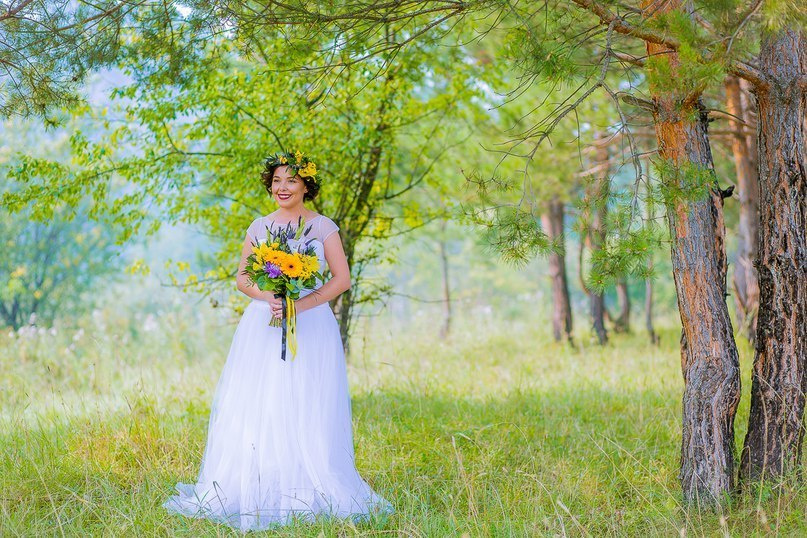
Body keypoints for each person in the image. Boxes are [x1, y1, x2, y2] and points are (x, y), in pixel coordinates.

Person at [162, 151, 394, 531]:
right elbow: (243, 278)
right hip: (263, 325)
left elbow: (341, 279)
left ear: (306, 186)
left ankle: (309, 482)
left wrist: (299, 306)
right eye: (276, 182)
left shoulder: (323, 227)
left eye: (291, 181)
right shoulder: (259, 226)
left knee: (307, 398)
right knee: (263, 398)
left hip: (312, 325)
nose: (282, 188)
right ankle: (259, 481)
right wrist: (269, 298)